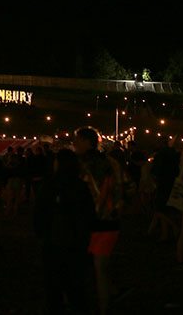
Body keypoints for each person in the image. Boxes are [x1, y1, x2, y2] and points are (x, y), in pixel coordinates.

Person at [34, 148, 94, 314]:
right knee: (76, 288)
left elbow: (38, 214)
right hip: (77, 243)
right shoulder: (81, 187)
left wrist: (42, 234)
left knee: (53, 289)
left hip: (52, 243)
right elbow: (89, 214)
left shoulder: (49, 186)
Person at [73, 127, 127, 315]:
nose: (74, 144)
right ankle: (105, 304)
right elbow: (123, 188)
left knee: (83, 267)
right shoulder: (112, 162)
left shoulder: (79, 165)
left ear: (87, 142)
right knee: (102, 266)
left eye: (77, 140)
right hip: (110, 220)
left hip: (87, 221)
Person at [147, 137, 180, 242]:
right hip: (172, 184)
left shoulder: (160, 156)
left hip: (162, 184)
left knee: (159, 209)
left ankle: (173, 227)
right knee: (166, 210)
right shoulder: (175, 156)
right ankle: (164, 235)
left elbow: (155, 172)